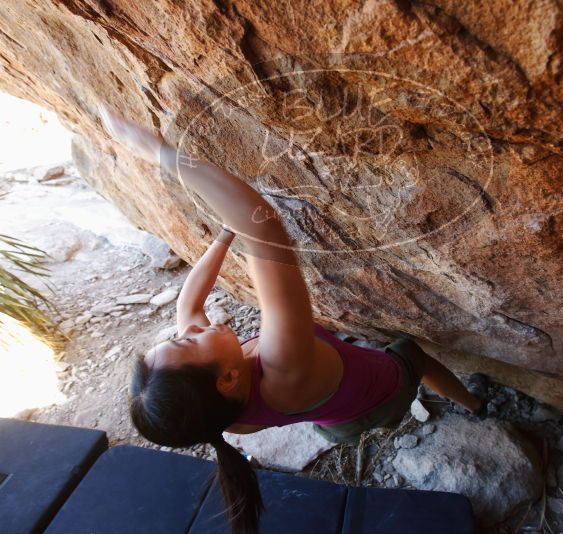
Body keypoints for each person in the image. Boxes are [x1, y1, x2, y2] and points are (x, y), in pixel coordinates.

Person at [101, 106, 488, 534]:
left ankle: (412, 394)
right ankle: (473, 403)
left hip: (338, 422)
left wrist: (226, 235)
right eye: (186, 342)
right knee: (414, 356)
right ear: (226, 379)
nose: (189, 327)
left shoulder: (221, 413)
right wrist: (160, 152)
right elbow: (265, 228)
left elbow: (188, 304)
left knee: (342, 377)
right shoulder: (283, 367)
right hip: (384, 391)